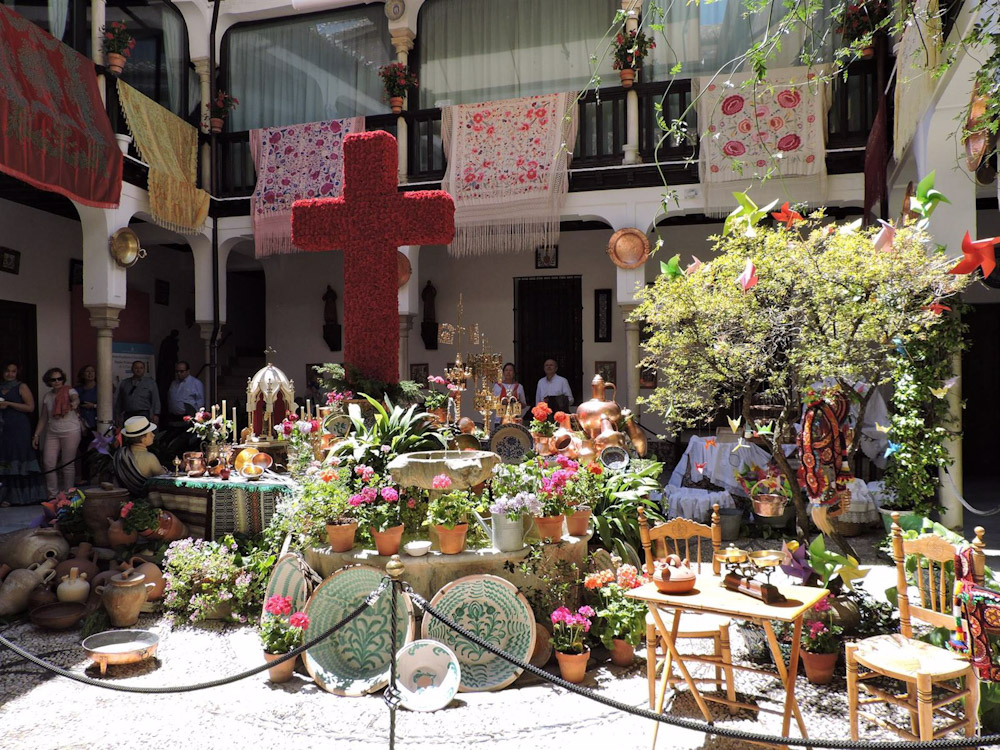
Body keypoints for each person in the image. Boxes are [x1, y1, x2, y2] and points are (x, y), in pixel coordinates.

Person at [0, 362, 46, 506]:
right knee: (5, 458)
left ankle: (22, 496)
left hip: (19, 427)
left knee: (18, 457)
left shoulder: (21, 386)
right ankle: (5, 496)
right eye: (7, 371)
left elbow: (30, 407)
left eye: (13, 371)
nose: (10, 374)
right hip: (3, 428)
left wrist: (9, 404)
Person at [33, 367, 82, 500]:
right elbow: (43, 418)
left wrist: (75, 402)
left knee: (68, 464)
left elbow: (75, 397)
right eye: (53, 379)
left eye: (59, 378)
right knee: (48, 463)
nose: (57, 382)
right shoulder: (47, 396)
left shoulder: (69, 390)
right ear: (49, 382)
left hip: (71, 431)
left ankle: (69, 495)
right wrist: (36, 435)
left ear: (63, 379)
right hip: (52, 432)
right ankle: (53, 496)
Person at [112, 416, 166, 497]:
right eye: (150, 433)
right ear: (143, 439)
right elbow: (164, 479)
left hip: (123, 499)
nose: (153, 435)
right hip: (144, 501)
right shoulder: (150, 458)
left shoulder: (119, 454)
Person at [114, 360, 160, 425]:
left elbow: (156, 400)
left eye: (141, 368)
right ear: (132, 369)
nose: (138, 370)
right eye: (136, 368)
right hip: (128, 415)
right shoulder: (125, 383)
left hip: (144, 414)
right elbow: (120, 401)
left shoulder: (150, 383)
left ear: (144, 369)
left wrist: (156, 414)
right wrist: (117, 415)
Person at [166, 360, 204, 426]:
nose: (179, 373)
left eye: (181, 371)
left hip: (188, 417)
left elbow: (200, 402)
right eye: (177, 371)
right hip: (173, 417)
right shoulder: (174, 383)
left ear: (188, 371)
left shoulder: (196, 383)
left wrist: (197, 418)